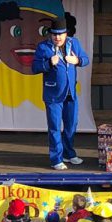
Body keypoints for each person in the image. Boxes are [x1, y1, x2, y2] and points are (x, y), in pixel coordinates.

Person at [31, 16, 89, 170]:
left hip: (71, 93)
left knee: (71, 125)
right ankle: (56, 159)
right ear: (50, 34)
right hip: (53, 94)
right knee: (55, 127)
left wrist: (77, 61)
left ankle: (69, 154)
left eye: (60, 34)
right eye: (54, 34)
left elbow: (86, 59)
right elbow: (35, 67)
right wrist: (49, 63)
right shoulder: (43, 47)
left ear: (66, 34)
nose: (57, 37)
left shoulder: (74, 43)